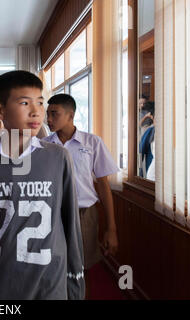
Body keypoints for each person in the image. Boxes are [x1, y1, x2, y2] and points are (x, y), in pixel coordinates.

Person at [0, 71, 85, 300]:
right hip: (5, 281)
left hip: (51, 282)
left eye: (40, 102)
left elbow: (71, 227)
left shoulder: (58, 157)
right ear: (0, 110)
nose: (37, 111)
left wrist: (76, 285)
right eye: (25, 102)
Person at [44, 93, 119, 298]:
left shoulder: (92, 142)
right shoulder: (44, 145)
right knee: (54, 267)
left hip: (85, 214)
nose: (48, 119)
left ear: (71, 115)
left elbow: (103, 186)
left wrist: (111, 228)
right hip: (52, 215)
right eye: (47, 114)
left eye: (54, 114)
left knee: (82, 270)